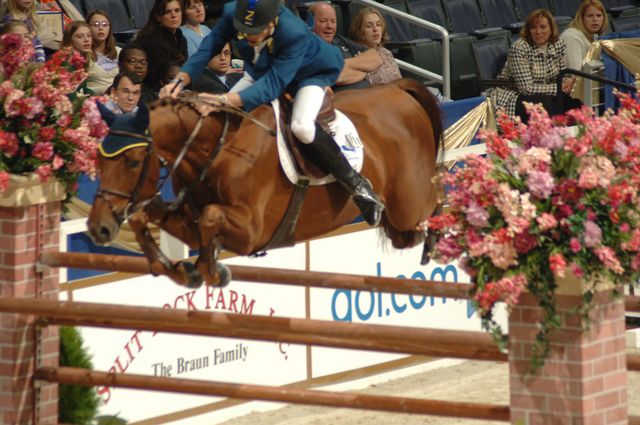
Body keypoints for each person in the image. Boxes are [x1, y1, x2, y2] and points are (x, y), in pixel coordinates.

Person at [160, 0, 384, 226]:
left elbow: (272, 86)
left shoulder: (293, 33)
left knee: (302, 126)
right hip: (262, 68)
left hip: (309, 72)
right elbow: (206, 50)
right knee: (225, 115)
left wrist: (222, 99)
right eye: (245, 31)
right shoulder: (232, 13)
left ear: (273, 21)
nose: (249, 37)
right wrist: (179, 82)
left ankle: (358, 186)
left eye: (256, 31)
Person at [491, 9, 582, 123]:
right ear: (528, 30)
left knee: (576, 105)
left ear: (551, 29)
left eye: (543, 27)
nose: (538, 32)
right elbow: (527, 89)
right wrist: (560, 87)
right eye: (533, 27)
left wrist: (566, 84)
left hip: (547, 93)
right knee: (545, 106)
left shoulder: (558, 44)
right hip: (514, 96)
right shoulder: (519, 48)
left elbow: (562, 75)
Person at [310, 2, 381, 91]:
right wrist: (361, 69)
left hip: (369, 92)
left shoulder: (339, 40)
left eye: (333, 21)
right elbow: (322, 79)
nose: (329, 26)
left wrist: (341, 66)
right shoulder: (308, 47)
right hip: (344, 97)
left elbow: (375, 57)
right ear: (310, 22)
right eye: (323, 21)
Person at [137, 0, 188, 91]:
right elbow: (157, 78)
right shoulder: (152, 41)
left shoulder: (181, 38)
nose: (173, 15)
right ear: (158, 17)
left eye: (177, 10)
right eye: (167, 12)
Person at [349, 7, 401, 86]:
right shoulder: (356, 57)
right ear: (359, 30)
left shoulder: (386, 53)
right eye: (369, 26)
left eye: (378, 24)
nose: (375, 29)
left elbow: (399, 82)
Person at [560, 0, 608, 71]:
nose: (595, 19)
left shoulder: (594, 36)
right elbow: (575, 73)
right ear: (581, 18)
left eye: (599, 15)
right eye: (590, 16)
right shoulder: (571, 37)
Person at [86, 10, 121, 95]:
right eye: (96, 25)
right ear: (87, 28)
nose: (101, 28)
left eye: (105, 25)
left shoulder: (120, 52)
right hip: (94, 99)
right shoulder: (83, 54)